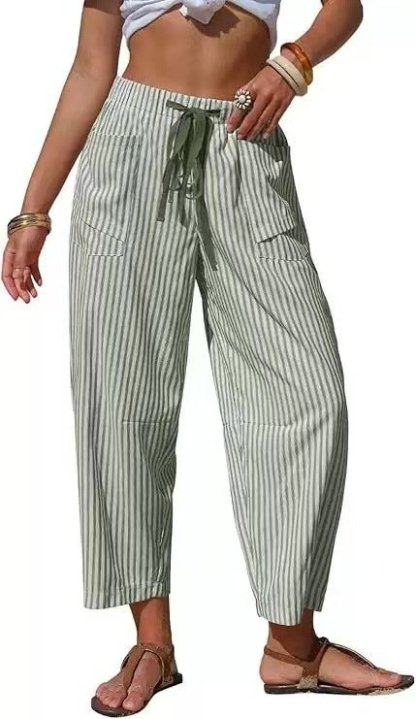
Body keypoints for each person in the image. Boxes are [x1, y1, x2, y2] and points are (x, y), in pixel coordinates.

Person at [2, 0, 414, 714]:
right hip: (131, 150)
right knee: (123, 397)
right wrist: (33, 211)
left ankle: (292, 647)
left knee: (309, 391)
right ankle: (151, 645)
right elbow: (91, 68)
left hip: (244, 142)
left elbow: (344, 8)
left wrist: (294, 63)